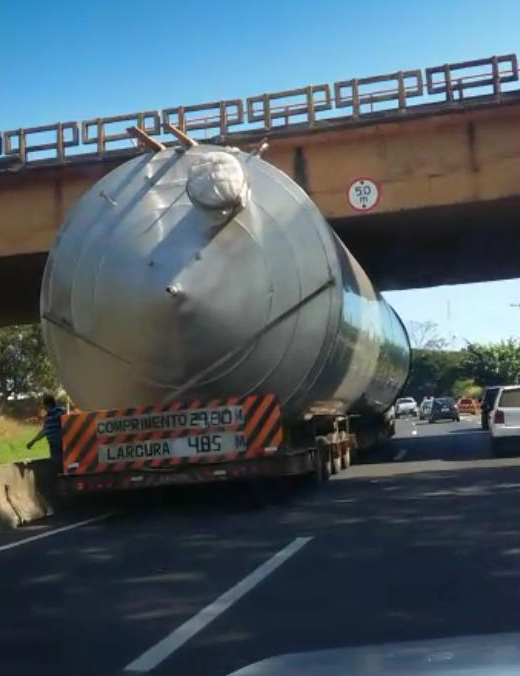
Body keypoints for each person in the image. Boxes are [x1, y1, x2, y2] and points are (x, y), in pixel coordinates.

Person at [27, 393, 64, 461]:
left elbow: (44, 432)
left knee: (57, 464)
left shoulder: (50, 416)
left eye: (43, 405)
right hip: (66, 443)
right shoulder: (62, 412)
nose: (43, 407)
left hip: (55, 445)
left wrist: (32, 442)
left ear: (48, 404)